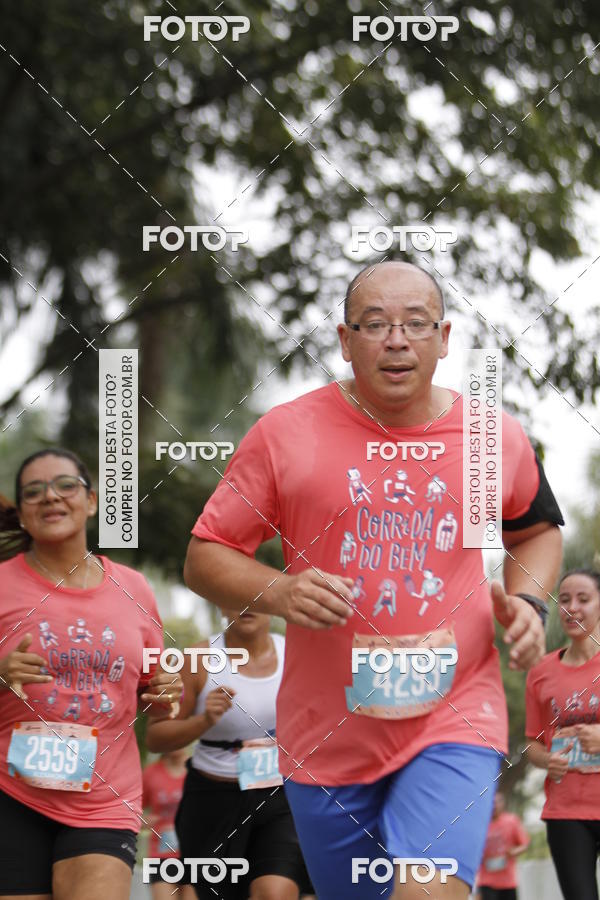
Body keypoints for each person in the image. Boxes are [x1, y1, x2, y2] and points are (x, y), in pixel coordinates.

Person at [183, 260, 564, 899]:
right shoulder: (287, 434)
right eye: (375, 324)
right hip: (324, 735)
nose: (396, 339)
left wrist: (528, 599)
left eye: (416, 324)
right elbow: (206, 555)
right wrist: (279, 590)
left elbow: (535, 530)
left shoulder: (486, 438)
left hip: (455, 714)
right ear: (344, 339)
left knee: (425, 890)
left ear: (444, 340)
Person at [0, 448, 182, 900]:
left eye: (65, 486)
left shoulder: (133, 589)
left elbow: (156, 698)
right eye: (34, 492)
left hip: (105, 798)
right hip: (11, 794)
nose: (50, 498)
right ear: (22, 514)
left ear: (92, 501)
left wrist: (165, 692)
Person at [146, 609, 313, 899]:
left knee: (275, 892)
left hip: (278, 796)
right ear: (221, 603)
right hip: (213, 800)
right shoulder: (198, 658)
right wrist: (203, 721)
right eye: (236, 597)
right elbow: (156, 737)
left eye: (258, 598)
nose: (247, 606)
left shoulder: (293, 653)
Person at [526, 568, 600, 900]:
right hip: (566, 812)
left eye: (584, 599)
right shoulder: (541, 672)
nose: (573, 608)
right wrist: (547, 760)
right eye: (565, 600)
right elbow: (531, 744)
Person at [142, 748, 196, 900]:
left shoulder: (198, 771)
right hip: (160, 856)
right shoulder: (151, 773)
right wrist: (145, 821)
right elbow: (133, 811)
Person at [475, 792, 529, 900]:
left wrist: (513, 852)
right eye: (491, 802)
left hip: (508, 882)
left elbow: (524, 844)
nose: (494, 805)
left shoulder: (511, 821)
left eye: (497, 802)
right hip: (486, 882)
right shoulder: (479, 824)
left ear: (503, 804)